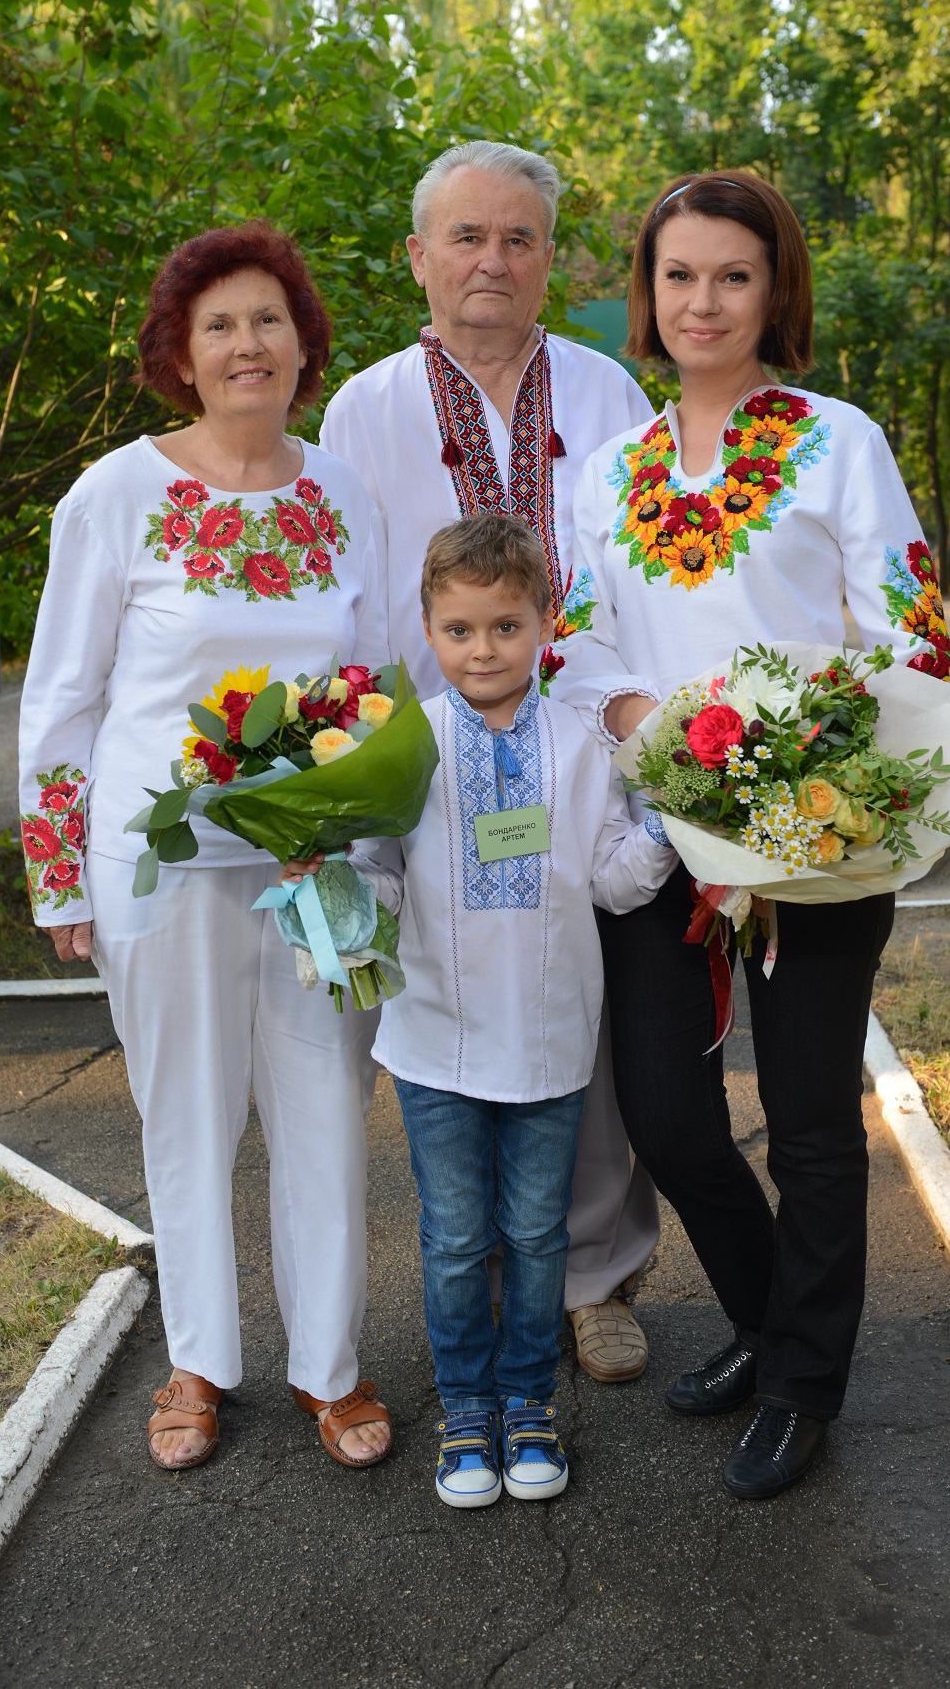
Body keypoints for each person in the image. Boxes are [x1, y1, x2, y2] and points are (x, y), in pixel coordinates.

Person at [567, 169, 950, 1501]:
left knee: (809, 1126)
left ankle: (802, 1383)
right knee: (669, 1117)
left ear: (775, 288)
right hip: (661, 833)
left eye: (733, 275)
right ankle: (765, 1315)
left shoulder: (836, 440)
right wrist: (648, 723)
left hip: (811, 827)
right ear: (648, 291)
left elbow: (911, 631)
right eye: (679, 274)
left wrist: (796, 744)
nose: (704, 301)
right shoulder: (609, 471)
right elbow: (575, 639)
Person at [18, 222, 394, 1473]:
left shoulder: (344, 495)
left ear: (303, 344)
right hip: (158, 867)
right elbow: (62, 699)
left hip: (318, 869)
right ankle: (198, 1363)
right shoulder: (114, 495)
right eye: (218, 324)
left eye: (268, 319)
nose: (247, 344)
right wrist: (59, 876)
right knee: (184, 1114)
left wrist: (376, 847)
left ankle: (330, 1368)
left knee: (325, 1107)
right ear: (179, 354)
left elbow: (376, 681)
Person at [321, 139, 660, 1384]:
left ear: (548, 258)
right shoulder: (364, 409)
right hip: (434, 768)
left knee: (585, 1010)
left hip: (583, 750)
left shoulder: (609, 394)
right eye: (466, 236)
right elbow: (353, 604)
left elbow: (644, 574)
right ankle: (482, 1280)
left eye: (518, 238)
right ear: (418, 256)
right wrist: (353, 763)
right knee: (458, 1011)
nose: (492, 261)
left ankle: (595, 1279)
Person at [352, 514, 676, 1507]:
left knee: (538, 1236)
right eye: (458, 629)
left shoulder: (581, 743)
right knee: (455, 1239)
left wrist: (675, 824)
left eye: (505, 626)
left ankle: (529, 1402)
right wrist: (327, 882)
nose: (483, 649)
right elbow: (380, 879)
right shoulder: (402, 743)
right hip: (435, 1041)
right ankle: (466, 1409)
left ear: (543, 623)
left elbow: (613, 879)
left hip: (548, 1037)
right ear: (427, 629)